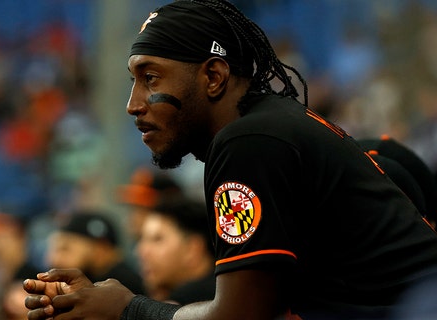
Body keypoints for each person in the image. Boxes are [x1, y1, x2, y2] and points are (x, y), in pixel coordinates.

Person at [23, 1, 437, 319]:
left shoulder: (247, 142)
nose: (133, 104)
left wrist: (128, 309)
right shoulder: (265, 128)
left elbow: (240, 315)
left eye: (150, 79)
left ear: (214, 77)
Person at [137, 196, 215, 305]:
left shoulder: (181, 306)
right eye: (142, 239)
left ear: (192, 249)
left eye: (157, 239)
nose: (142, 251)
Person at [45, 210, 145, 295]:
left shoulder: (125, 290)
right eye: (53, 249)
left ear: (101, 249)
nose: (54, 259)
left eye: (65, 249)